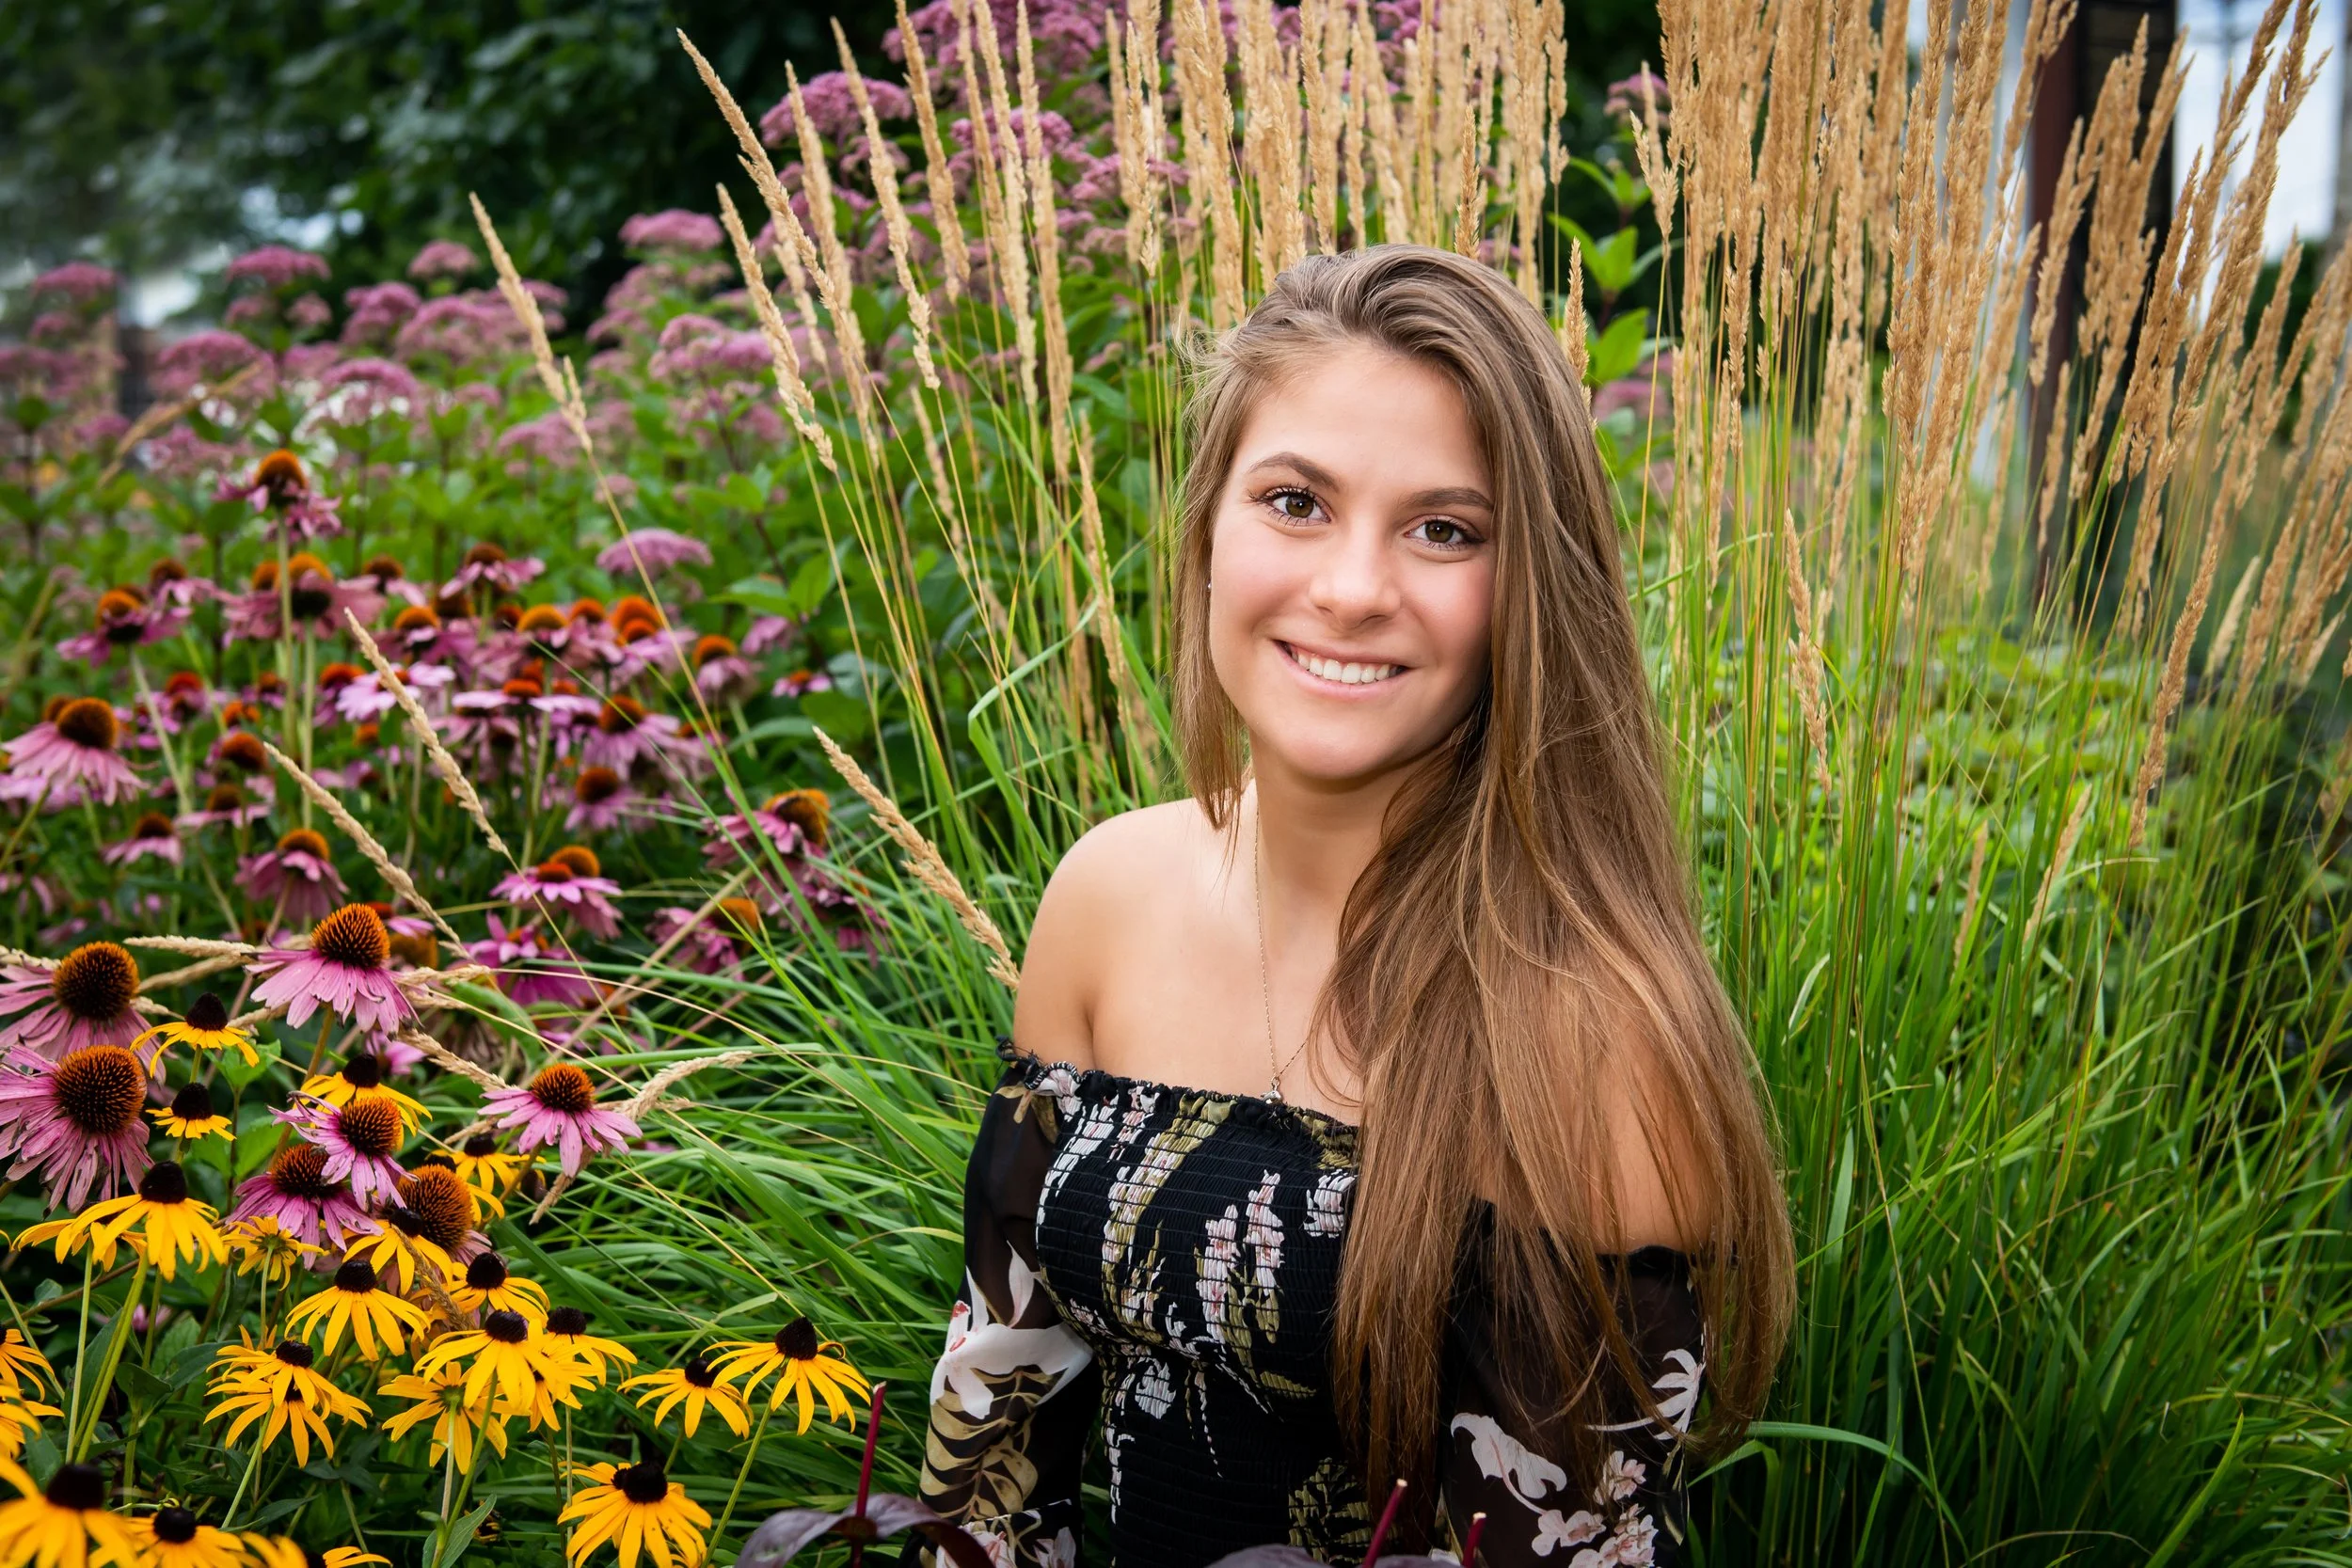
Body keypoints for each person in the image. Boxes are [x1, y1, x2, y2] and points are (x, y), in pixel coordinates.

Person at [914, 245, 1793, 1567]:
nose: (1352, 587)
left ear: (1528, 595)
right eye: (1296, 501)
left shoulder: (1596, 1040)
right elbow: (994, 1451)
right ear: (1210, 520)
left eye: (1445, 529)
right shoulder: (1106, 894)